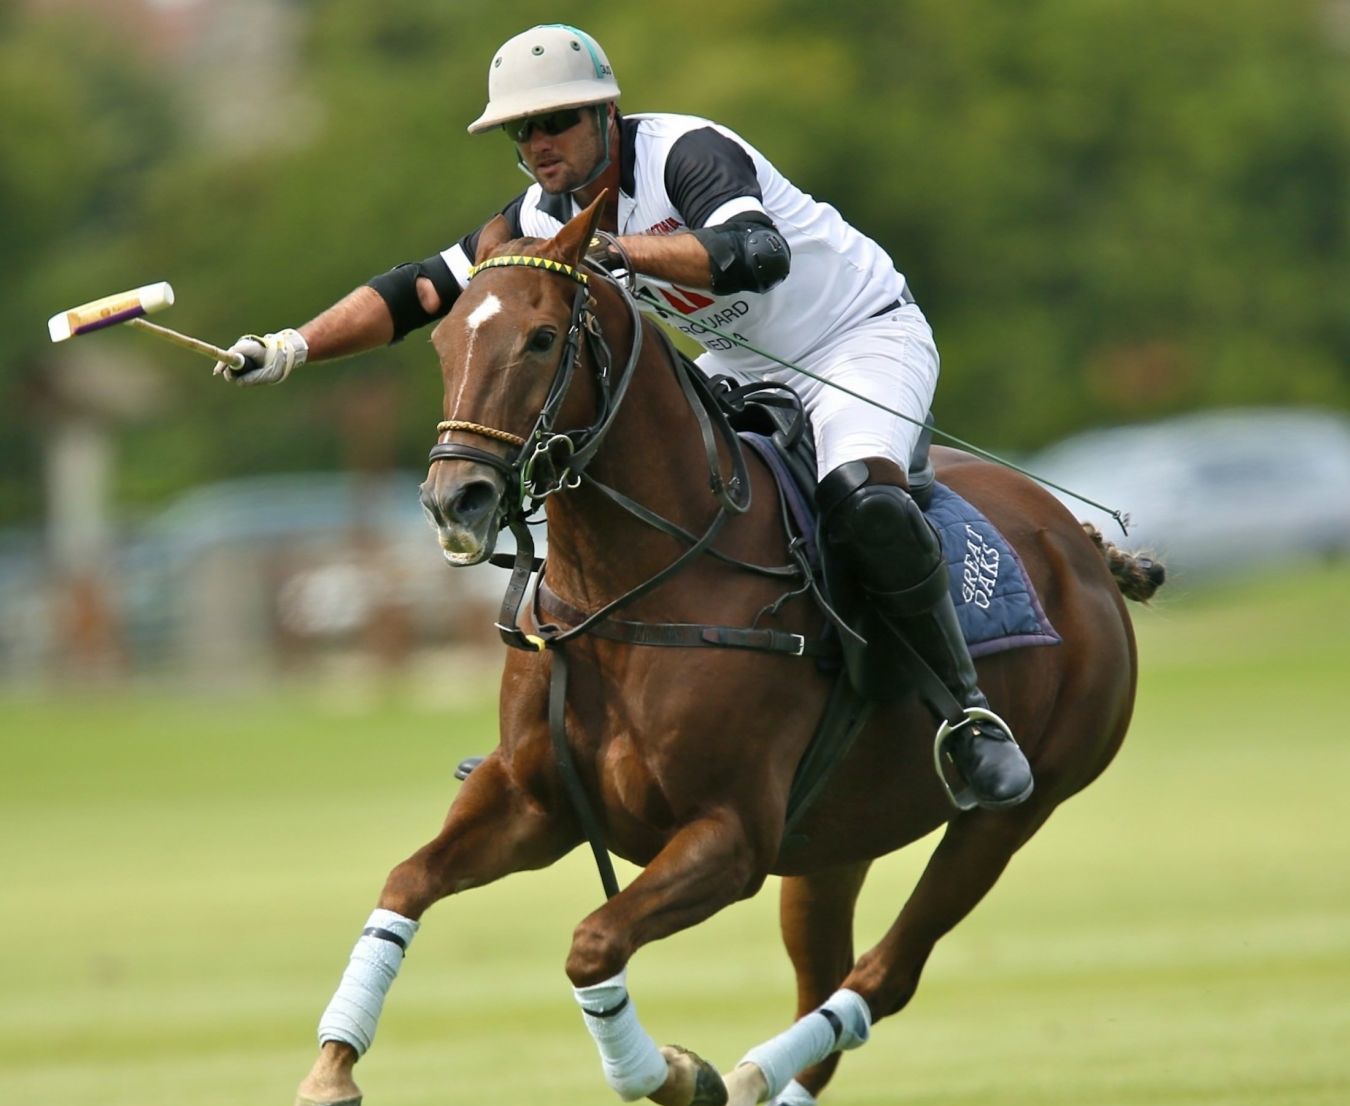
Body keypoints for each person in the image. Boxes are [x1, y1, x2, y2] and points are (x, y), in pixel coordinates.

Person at [216, 23, 1033, 808]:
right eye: (521, 131)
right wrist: (290, 347)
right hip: (740, 362)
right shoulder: (539, 217)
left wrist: (620, 250)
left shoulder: (685, 153)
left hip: (857, 337)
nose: (539, 144)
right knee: (616, 488)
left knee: (863, 496)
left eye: (556, 121)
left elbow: (757, 254)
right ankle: (550, 735)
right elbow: (420, 290)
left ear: (606, 113)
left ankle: (966, 713)